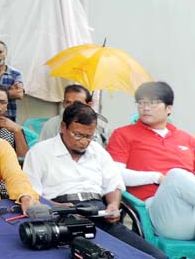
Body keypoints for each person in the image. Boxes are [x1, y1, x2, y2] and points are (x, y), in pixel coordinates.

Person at [23, 102, 167, 258]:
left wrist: (113, 205)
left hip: (99, 214)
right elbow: (32, 195)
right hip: (61, 215)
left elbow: (113, 185)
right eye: (78, 134)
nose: (84, 141)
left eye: (89, 136)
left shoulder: (97, 151)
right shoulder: (40, 152)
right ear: (63, 127)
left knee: (156, 256)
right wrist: (57, 206)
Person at [107, 81, 195, 241]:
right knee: (176, 175)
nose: (145, 108)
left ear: (169, 108)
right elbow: (115, 174)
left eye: (152, 103)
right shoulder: (123, 134)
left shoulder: (187, 139)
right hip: (159, 213)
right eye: (141, 103)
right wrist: (157, 177)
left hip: (190, 212)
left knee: (179, 176)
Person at [38, 84, 110, 146]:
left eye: (78, 103)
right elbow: (42, 151)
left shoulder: (101, 125)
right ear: (63, 103)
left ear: (89, 105)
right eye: (68, 102)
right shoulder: (52, 124)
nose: (72, 106)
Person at [0, 85, 28, 158]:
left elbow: (23, 158)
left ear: (7, 106)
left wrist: (17, 131)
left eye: (2, 102)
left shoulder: (13, 128)